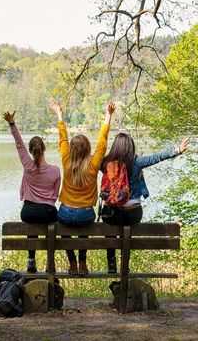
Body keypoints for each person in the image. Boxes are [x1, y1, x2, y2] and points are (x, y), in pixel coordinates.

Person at [100, 133, 190, 273]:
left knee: (109, 229)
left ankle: (111, 265)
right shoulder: (137, 161)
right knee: (127, 233)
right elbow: (157, 157)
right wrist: (177, 150)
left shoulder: (106, 163)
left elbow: (93, 159)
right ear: (131, 147)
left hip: (113, 214)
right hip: (133, 214)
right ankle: (125, 264)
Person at [49, 99, 116, 275]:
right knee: (83, 230)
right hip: (86, 214)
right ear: (87, 149)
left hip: (65, 213)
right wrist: (108, 117)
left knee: (63, 229)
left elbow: (62, 139)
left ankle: (72, 262)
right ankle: (83, 262)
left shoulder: (66, 161)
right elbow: (102, 142)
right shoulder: (94, 164)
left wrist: (59, 115)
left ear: (72, 149)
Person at [3, 110, 61, 273]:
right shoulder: (55, 171)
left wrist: (12, 123)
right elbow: (56, 194)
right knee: (50, 224)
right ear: (44, 149)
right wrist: (47, 203)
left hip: (28, 212)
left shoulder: (28, 166)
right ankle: (50, 260)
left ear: (31, 151)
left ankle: (31, 260)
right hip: (48, 212)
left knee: (32, 225)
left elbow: (19, 143)